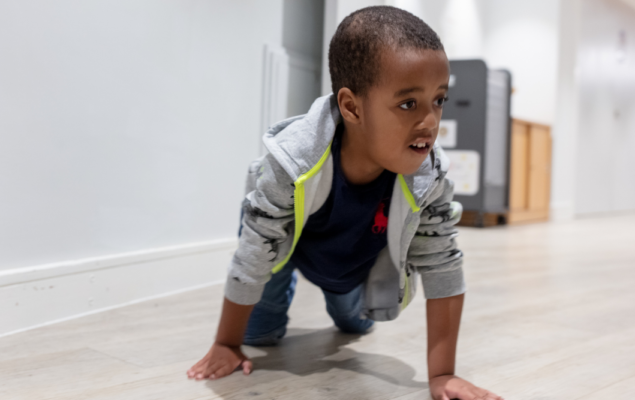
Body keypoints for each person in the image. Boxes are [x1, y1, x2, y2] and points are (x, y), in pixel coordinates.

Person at [185, 6, 502, 400]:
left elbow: (442, 263)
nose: (430, 122)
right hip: (284, 248)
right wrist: (227, 343)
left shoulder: (429, 176)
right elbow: (255, 248)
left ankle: (342, 299)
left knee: (356, 325)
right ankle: (280, 291)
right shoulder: (292, 162)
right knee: (260, 337)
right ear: (352, 107)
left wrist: (442, 376)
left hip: (352, 266)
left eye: (438, 100)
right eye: (408, 104)